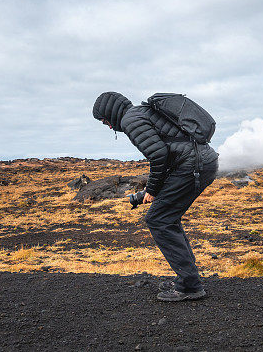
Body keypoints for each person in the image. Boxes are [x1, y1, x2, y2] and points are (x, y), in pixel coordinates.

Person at [92, 91, 219, 301]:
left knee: (159, 219)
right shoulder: (140, 113)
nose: (106, 125)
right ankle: (187, 279)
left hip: (194, 165)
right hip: (201, 162)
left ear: (111, 113)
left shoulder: (130, 120)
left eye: (104, 120)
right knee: (167, 218)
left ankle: (190, 285)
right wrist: (152, 191)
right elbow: (169, 155)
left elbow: (159, 155)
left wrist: (151, 190)